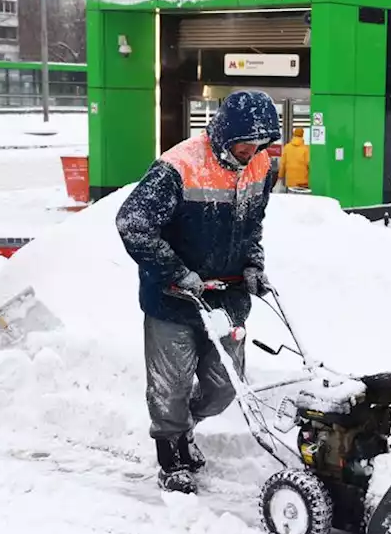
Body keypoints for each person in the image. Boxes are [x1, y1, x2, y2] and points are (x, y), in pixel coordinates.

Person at [116, 90, 281, 494]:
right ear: (225, 135)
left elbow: (252, 224)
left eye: (261, 143)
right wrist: (176, 272)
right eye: (246, 143)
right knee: (170, 385)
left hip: (228, 297)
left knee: (225, 385)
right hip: (173, 299)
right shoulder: (178, 167)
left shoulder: (262, 165)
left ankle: (184, 426)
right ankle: (171, 454)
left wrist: (254, 263)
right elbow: (132, 223)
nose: (252, 151)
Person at [280, 127, 310, 191]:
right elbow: (309, 163)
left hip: (290, 180)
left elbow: (283, 163)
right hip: (303, 181)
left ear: (294, 134)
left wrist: (280, 175)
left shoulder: (287, 147)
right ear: (302, 135)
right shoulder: (306, 149)